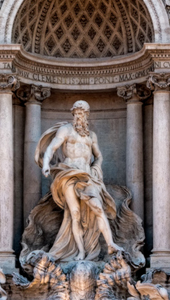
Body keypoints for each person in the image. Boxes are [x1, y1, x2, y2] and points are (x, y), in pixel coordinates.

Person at [36, 100, 119, 263]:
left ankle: (110, 244)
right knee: (74, 213)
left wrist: (97, 167)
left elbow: (99, 155)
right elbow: (52, 148)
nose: (79, 116)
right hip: (68, 174)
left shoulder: (91, 136)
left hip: (87, 176)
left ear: (87, 115)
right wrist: (46, 164)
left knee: (98, 208)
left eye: (82, 113)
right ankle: (80, 252)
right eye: (77, 113)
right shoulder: (65, 130)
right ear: (73, 114)